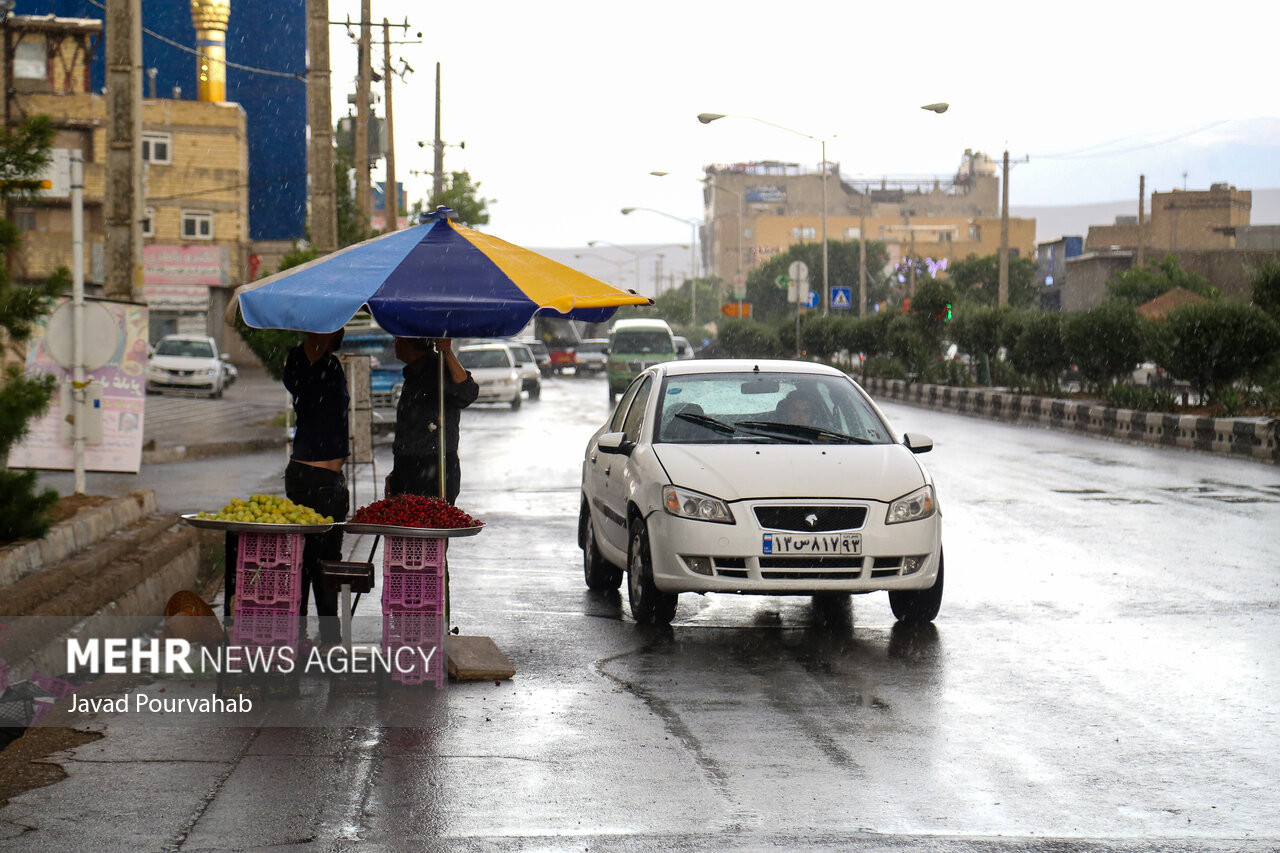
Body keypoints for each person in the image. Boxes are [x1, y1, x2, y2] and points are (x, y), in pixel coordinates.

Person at [282, 329, 350, 648]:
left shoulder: (331, 363)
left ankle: (328, 637)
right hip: (309, 481)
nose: (343, 327)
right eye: (336, 322)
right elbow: (312, 348)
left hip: (331, 484)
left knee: (327, 563)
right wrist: (320, 324)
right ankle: (302, 636)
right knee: (308, 562)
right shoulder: (301, 360)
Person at [387, 338, 478, 504]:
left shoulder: (440, 369)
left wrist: (447, 352)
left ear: (410, 344)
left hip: (435, 467)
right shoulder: (412, 374)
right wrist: (396, 474)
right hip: (406, 468)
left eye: (398, 340)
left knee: (430, 523)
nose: (395, 345)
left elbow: (468, 393)